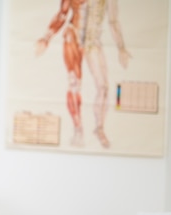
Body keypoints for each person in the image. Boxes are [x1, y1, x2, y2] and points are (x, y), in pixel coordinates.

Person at [35, 0, 131, 148]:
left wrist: (121, 47)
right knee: (74, 83)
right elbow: (62, 14)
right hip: (73, 34)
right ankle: (78, 128)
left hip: (92, 42)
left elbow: (113, 21)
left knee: (103, 88)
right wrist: (47, 37)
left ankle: (99, 128)